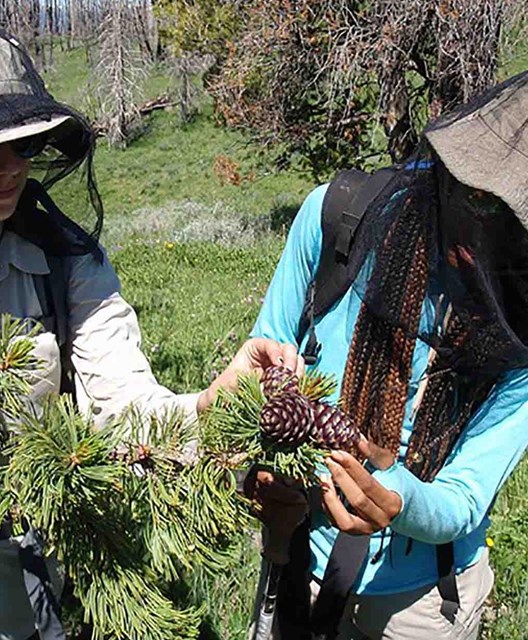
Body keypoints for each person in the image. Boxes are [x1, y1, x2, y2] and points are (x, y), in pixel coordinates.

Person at [0, 20, 301, 640]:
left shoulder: (64, 264)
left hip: (31, 583)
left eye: (24, 147)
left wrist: (219, 399)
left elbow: (124, 405)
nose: (8, 169)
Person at [247, 70, 528, 640]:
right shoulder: (338, 218)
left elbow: (465, 495)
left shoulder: (521, 327)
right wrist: (264, 462)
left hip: (422, 601)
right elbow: (265, 353)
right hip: (299, 553)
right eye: (476, 201)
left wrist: (397, 497)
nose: (484, 233)